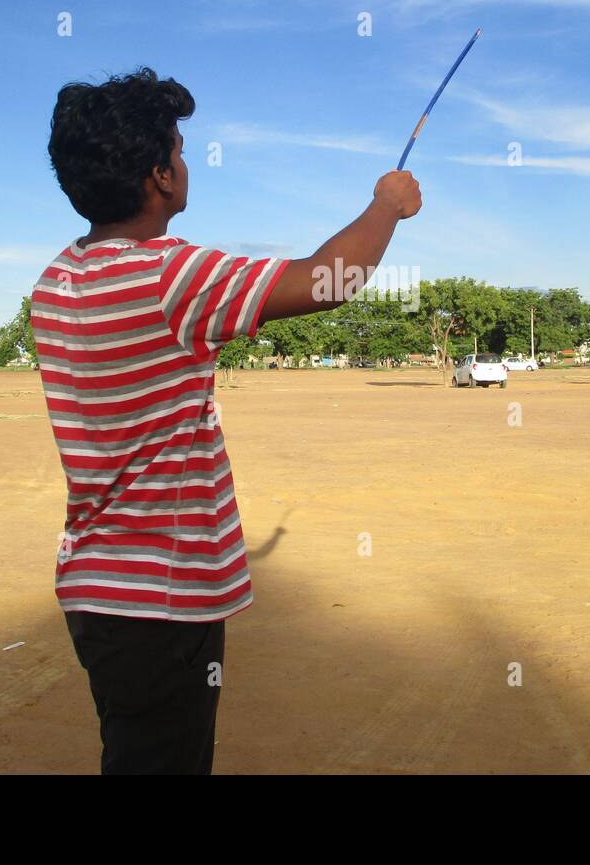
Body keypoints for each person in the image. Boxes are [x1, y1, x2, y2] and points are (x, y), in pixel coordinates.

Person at [31, 67, 421, 774]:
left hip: (95, 593)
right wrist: (386, 206)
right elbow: (329, 279)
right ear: (158, 177)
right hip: (164, 599)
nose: (184, 163)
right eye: (177, 150)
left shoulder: (55, 283)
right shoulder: (169, 277)